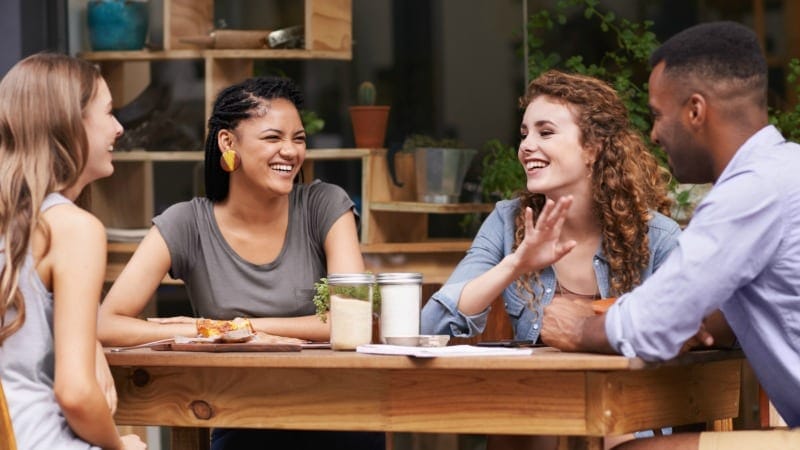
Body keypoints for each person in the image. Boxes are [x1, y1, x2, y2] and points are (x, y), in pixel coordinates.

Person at [541, 21, 800, 450]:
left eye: (659, 114)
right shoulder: (786, 169)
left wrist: (578, 330)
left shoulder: (751, 192)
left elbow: (652, 325)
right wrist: (700, 320)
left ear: (695, 111)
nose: (655, 133)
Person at [97, 76, 383, 450]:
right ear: (228, 143)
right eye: (273, 138)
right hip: (239, 421)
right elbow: (107, 323)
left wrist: (232, 329)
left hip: (341, 415)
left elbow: (350, 319)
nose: (291, 151)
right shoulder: (187, 223)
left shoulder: (324, 205)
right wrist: (201, 330)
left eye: (298, 139)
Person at [420, 70, 681, 449]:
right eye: (524, 133)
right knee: (527, 417)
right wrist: (516, 264)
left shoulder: (656, 237)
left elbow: (690, 333)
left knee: (613, 420)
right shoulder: (509, 222)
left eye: (545, 132)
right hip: (538, 412)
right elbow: (431, 326)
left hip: (628, 414)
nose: (526, 146)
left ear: (592, 149)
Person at [0, 53, 146, 449]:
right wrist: (119, 446)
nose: (118, 128)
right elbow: (77, 393)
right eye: (109, 113)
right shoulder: (73, 228)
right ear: (71, 123)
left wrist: (89, 341)